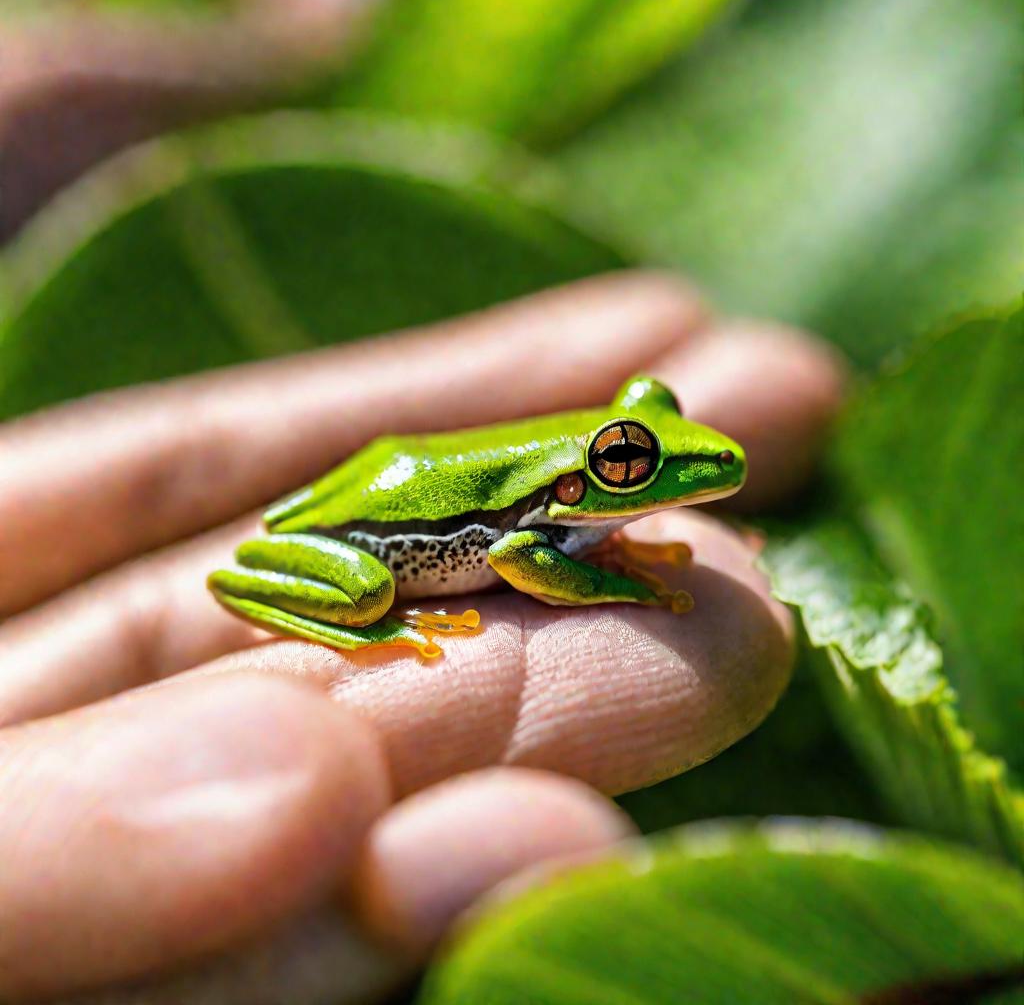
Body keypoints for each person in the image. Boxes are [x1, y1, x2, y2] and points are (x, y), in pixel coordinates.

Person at [0, 273, 846, 1002]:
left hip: (405, 486)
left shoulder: (568, 495)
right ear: (587, 475)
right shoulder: (530, 519)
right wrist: (615, 583)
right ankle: (364, 616)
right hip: (365, 541)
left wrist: (610, 545)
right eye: (630, 462)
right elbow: (519, 553)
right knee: (368, 594)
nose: (662, 465)